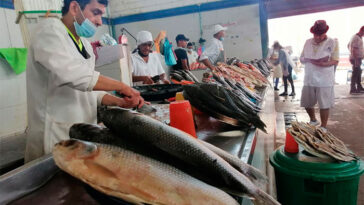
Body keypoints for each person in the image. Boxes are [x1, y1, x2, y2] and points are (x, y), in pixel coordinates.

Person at [25, 0, 144, 162]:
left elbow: (90, 90)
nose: (100, 22)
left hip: (82, 134)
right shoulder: (49, 31)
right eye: (96, 13)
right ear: (74, 8)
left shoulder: (86, 46)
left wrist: (119, 102)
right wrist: (122, 86)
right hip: (55, 135)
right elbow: (74, 75)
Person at [300, 20, 339, 131]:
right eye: (315, 34)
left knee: (324, 104)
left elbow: (335, 60)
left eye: (320, 35)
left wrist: (323, 63)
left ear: (325, 33)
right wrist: (307, 59)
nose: (317, 37)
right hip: (309, 77)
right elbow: (301, 58)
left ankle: (323, 126)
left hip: (325, 78)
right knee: (307, 102)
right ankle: (313, 120)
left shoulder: (333, 42)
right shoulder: (308, 42)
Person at [348, 26, 364, 94]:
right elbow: (354, 49)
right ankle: (352, 89)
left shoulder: (358, 37)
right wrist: (356, 58)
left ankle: (359, 87)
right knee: (355, 73)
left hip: (357, 58)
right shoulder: (356, 38)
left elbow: (348, 45)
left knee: (358, 72)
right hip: (355, 58)